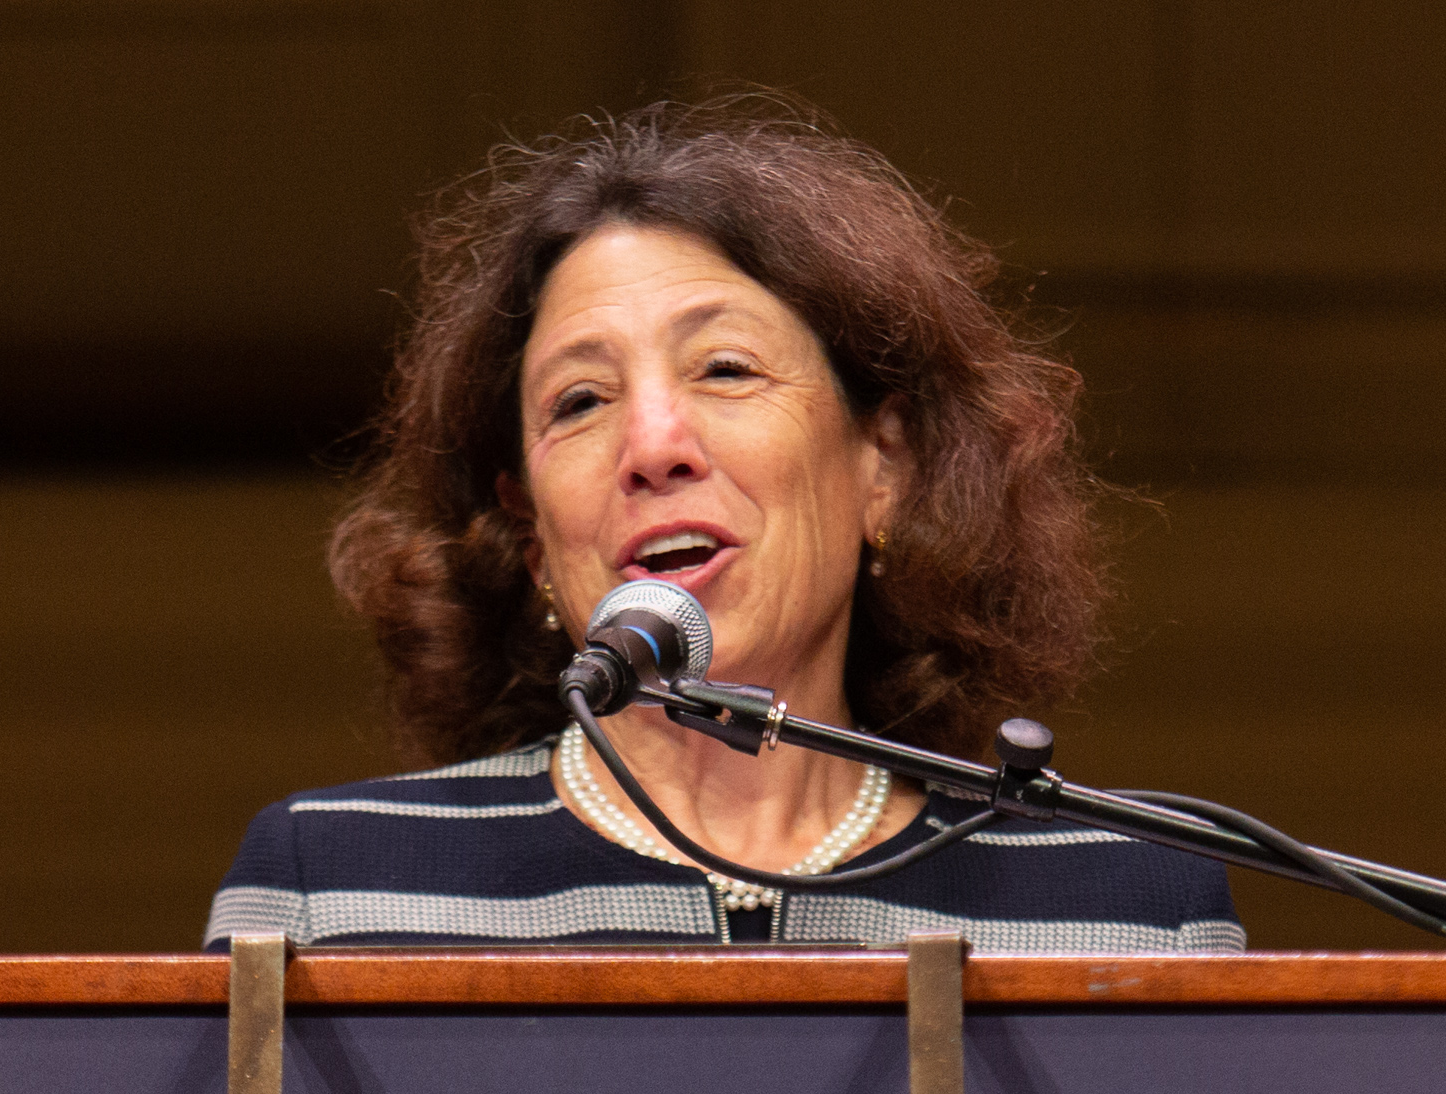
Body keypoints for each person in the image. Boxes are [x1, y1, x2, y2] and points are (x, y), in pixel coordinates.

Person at [205, 99, 1242, 952]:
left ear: (886, 467)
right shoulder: (336, 894)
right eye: (579, 401)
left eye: (727, 370)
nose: (655, 443)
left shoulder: (1122, 908)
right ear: (526, 533)